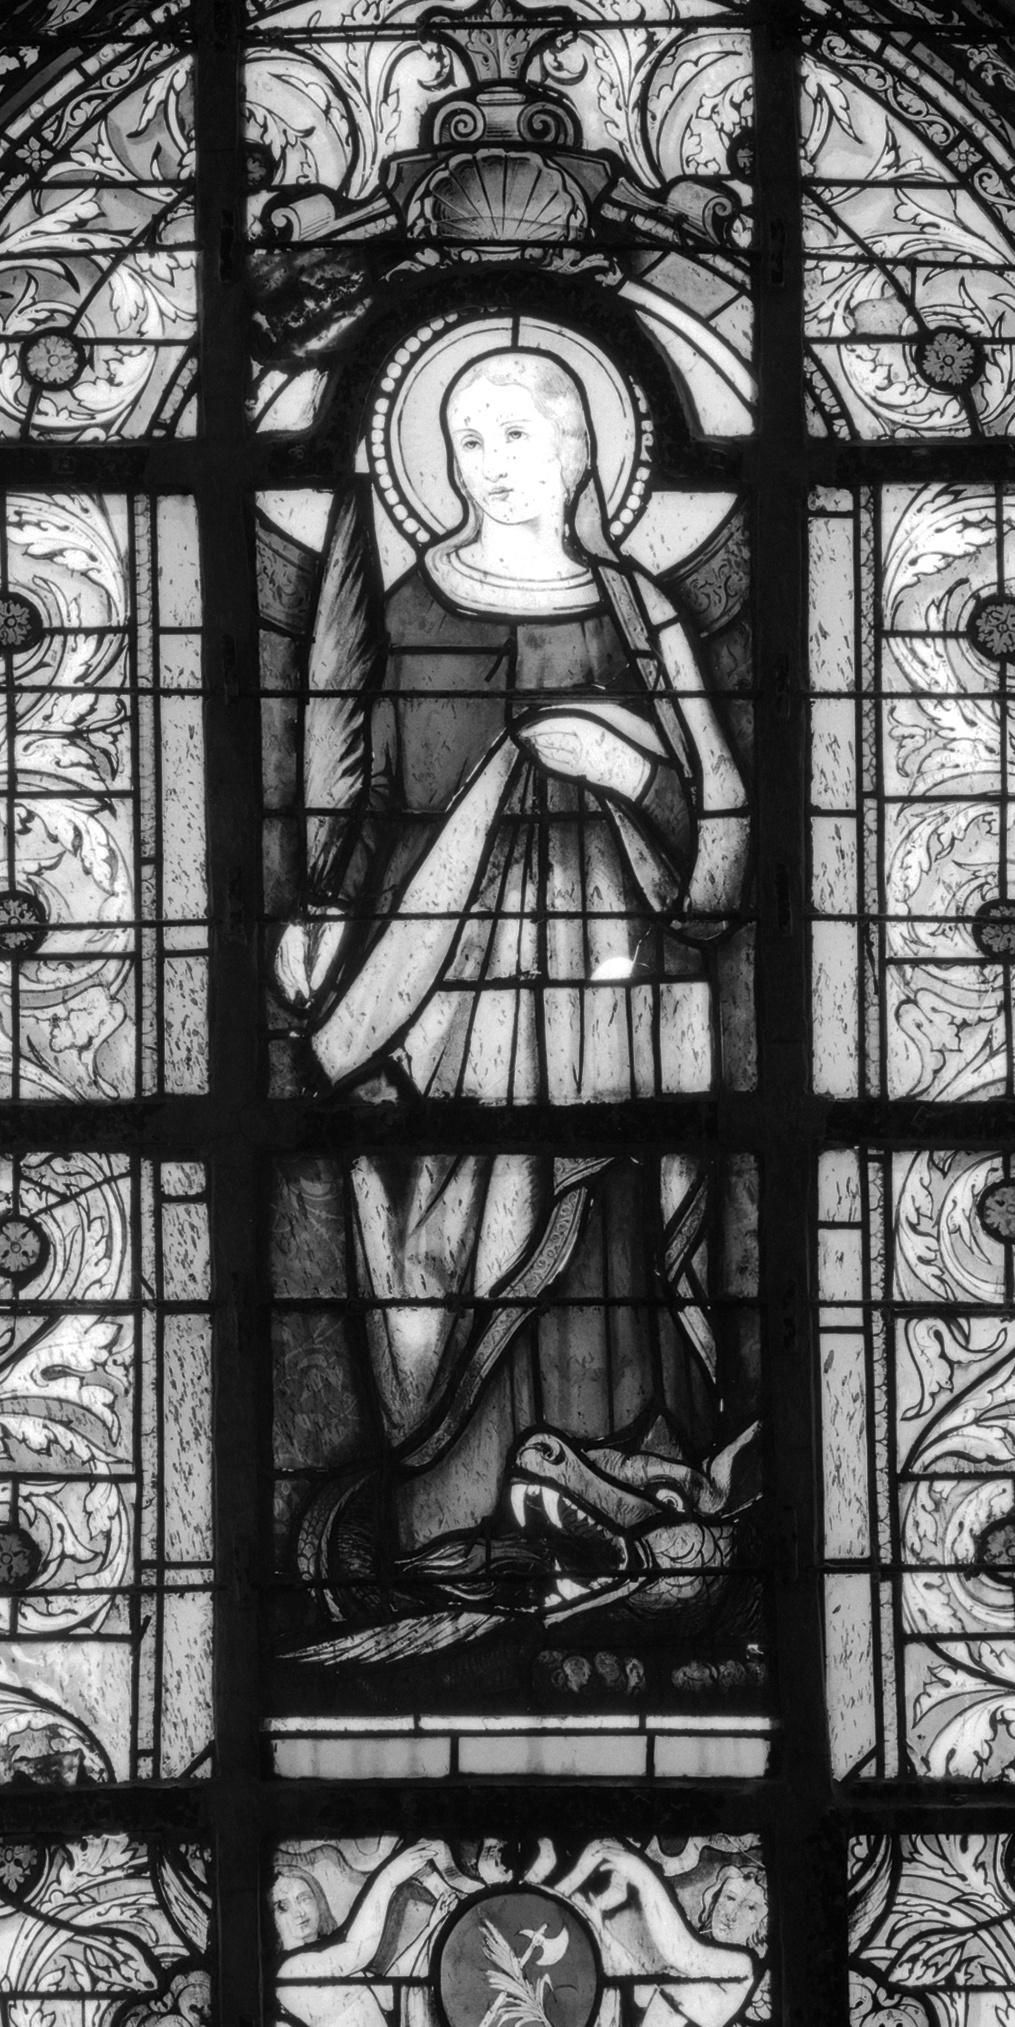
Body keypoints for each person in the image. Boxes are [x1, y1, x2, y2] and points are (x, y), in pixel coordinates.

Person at [273, 346, 752, 1574]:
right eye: (468, 441)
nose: (491, 464)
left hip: (614, 988)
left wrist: (624, 767)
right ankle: (450, 1537)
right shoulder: (408, 607)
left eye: (518, 435)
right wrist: (317, 908)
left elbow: (722, 831)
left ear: (580, 452)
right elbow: (358, 789)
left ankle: (635, 1514)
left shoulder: (637, 610)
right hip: (436, 986)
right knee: (453, 1230)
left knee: (606, 1226)